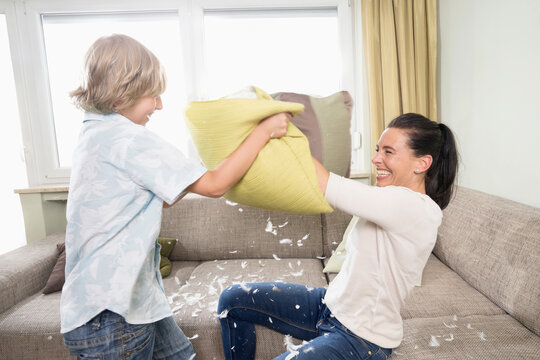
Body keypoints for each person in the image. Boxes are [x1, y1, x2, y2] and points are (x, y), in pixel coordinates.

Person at [60, 34, 290, 360]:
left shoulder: (94, 135)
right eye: (152, 95)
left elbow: (152, 197)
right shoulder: (128, 139)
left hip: (123, 306)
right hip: (113, 315)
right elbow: (214, 185)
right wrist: (262, 131)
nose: (159, 105)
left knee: (181, 354)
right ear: (120, 97)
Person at [217, 113, 458, 359]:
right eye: (377, 150)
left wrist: (277, 131)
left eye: (388, 152)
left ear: (422, 164)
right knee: (232, 300)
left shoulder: (415, 207)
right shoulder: (390, 198)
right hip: (329, 306)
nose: (376, 159)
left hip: (361, 337)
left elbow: (326, 184)